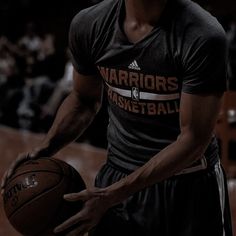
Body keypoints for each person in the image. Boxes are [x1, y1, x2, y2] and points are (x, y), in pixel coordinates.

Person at [1, 0, 233, 235]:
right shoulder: (90, 24)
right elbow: (84, 100)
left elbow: (193, 139)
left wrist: (111, 195)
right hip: (117, 177)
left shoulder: (202, 34)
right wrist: (47, 146)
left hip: (187, 186)